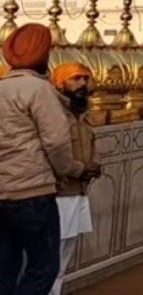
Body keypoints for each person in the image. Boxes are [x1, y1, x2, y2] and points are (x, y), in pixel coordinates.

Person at [0, 25, 92, 295]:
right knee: (44, 267)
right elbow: (56, 141)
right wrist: (72, 169)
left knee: (5, 266)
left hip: (2, 193)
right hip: (31, 193)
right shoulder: (40, 89)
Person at [48, 63, 98, 295]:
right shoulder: (52, 110)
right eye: (75, 79)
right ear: (59, 82)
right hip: (59, 192)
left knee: (65, 251)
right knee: (52, 254)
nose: (82, 84)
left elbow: (92, 142)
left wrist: (95, 164)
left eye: (85, 79)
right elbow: (53, 150)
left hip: (79, 190)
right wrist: (79, 169)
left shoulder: (84, 110)